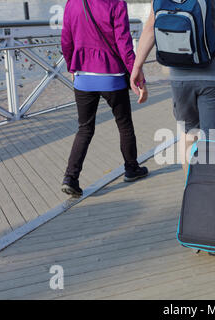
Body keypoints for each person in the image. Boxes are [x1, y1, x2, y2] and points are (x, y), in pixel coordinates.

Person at [132, 0, 215, 176]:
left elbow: (150, 28)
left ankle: (190, 191)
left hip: (179, 76)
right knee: (213, 143)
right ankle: (208, 194)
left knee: (188, 135)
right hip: (214, 76)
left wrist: (137, 67)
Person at [61, 0, 149, 197]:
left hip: (83, 75)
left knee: (84, 128)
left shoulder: (72, 3)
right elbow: (123, 42)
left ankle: (70, 178)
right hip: (112, 76)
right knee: (124, 123)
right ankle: (131, 168)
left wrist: (71, 66)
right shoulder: (116, 3)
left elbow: (66, 40)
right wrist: (136, 73)